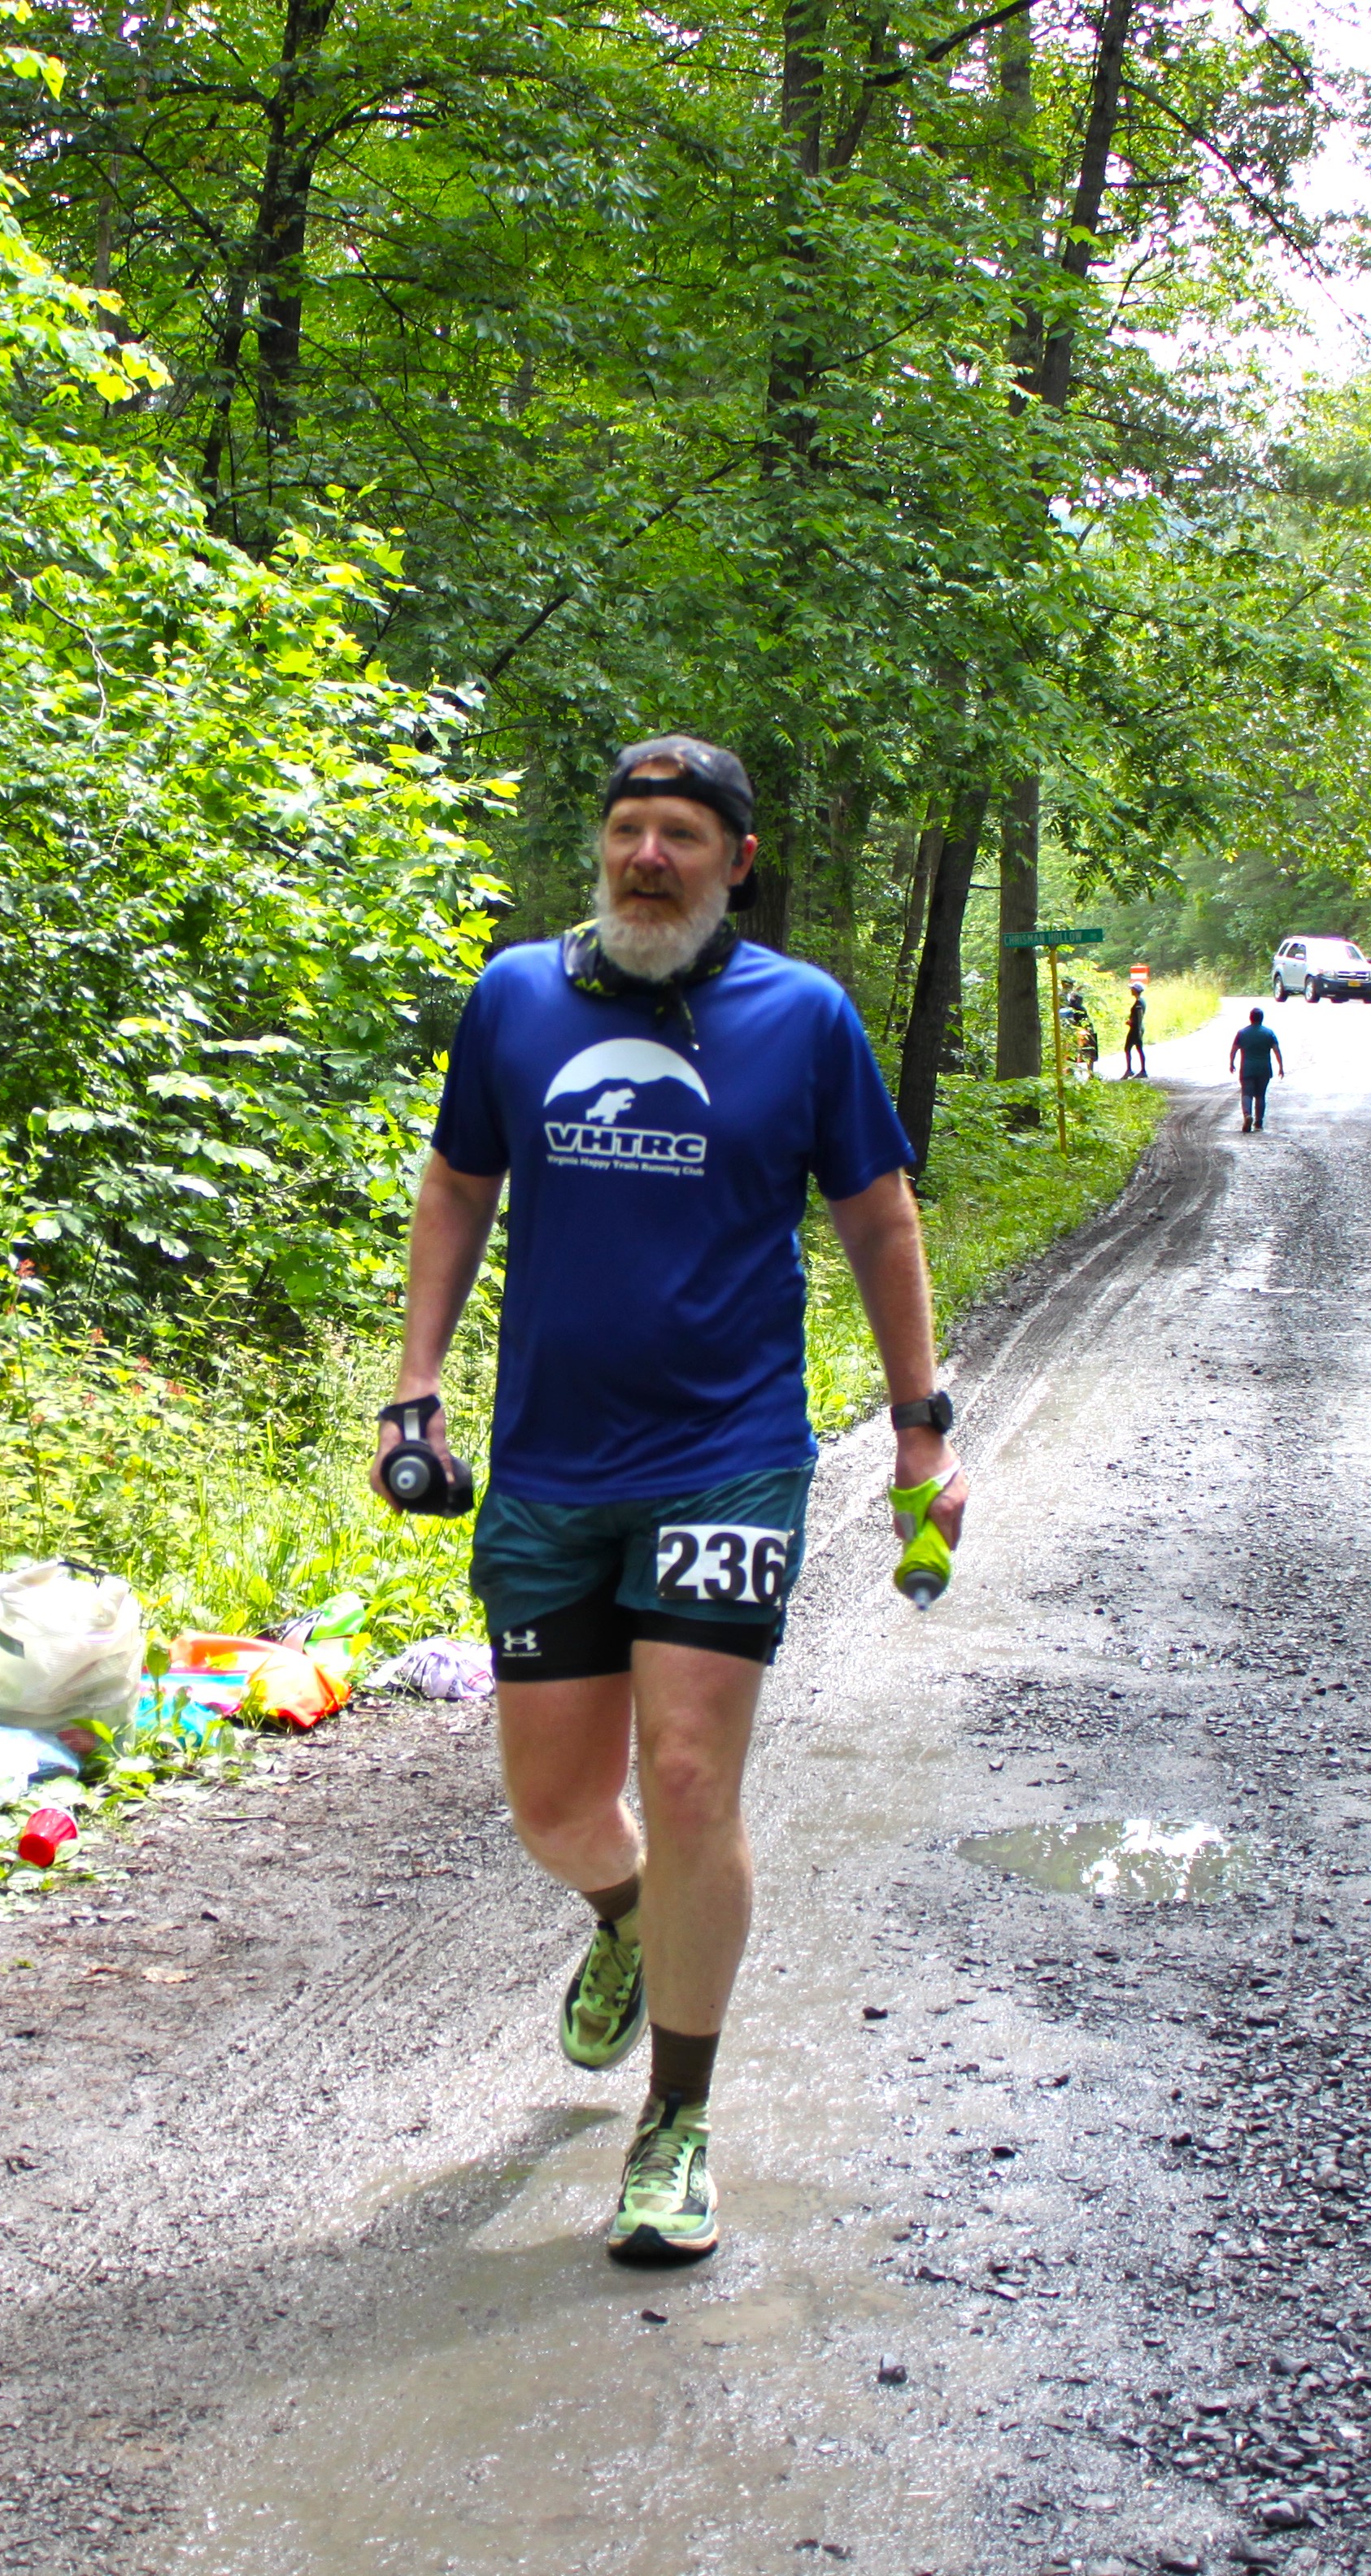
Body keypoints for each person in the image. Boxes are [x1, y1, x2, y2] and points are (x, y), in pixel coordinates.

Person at [375, 733, 968, 2269]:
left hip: (730, 1450)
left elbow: (878, 1216)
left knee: (692, 1771)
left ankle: (677, 2122)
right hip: (552, 1462)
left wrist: (920, 1432)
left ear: (735, 862)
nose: (649, 857)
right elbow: (457, 1185)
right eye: (629, 830)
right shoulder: (515, 997)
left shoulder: (804, 1017)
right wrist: (413, 1385)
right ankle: (626, 1914)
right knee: (555, 1805)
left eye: (682, 837)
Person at [1229, 1005, 1286, 1132]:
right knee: (1260, 1095)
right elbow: (1277, 1051)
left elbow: (1234, 1050)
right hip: (1264, 1069)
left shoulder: (1242, 1033)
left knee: (1247, 1093)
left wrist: (1231, 1063)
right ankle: (1259, 1123)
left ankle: (1247, 1115)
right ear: (1262, 1019)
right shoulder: (1269, 1033)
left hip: (1247, 1069)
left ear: (1250, 1018)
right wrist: (1281, 1067)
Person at [1120, 972, 1149, 1077]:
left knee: (1129, 1048)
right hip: (1137, 1028)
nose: (1131, 990)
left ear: (1135, 991)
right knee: (1137, 1049)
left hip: (1136, 1029)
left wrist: (1134, 1025)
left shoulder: (1139, 1003)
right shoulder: (1141, 1001)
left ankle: (1137, 1070)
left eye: (1132, 989)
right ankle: (1138, 1070)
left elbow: (1139, 1017)